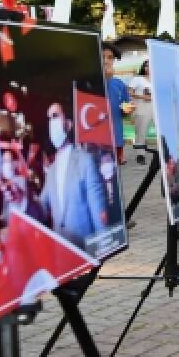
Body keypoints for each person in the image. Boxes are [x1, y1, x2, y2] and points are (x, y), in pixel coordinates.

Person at [39, 102, 108, 249]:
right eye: (49, 118)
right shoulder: (51, 171)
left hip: (85, 250)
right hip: (62, 253)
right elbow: (40, 208)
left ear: (69, 124)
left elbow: (98, 213)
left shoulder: (85, 161)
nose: (52, 122)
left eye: (55, 116)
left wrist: (103, 250)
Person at [101, 43, 132, 164]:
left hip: (116, 134)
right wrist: (106, 80)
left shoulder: (119, 84)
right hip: (96, 139)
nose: (106, 61)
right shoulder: (87, 81)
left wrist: (127, 109)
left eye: (110, 57)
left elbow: (125, 106)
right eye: (103, 56)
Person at [129, 60, 154, 165]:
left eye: (150, 66)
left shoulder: (156, 78)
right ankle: (140, 154)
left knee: (162, 131)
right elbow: (130, 92)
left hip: (155, 108)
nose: (148, 68)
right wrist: (142, 96)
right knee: (141, 132)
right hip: (142, 108)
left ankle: (165, 153)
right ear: (143, 67)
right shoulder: (137, 79)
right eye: (146, 66)